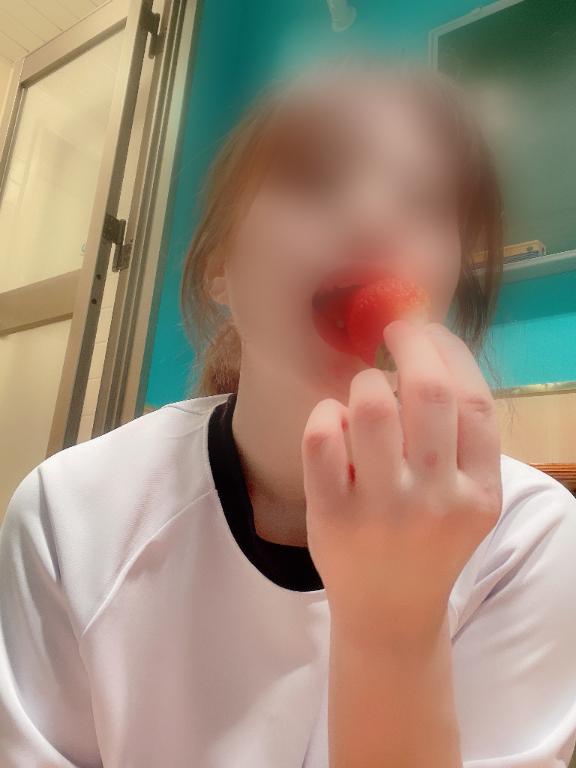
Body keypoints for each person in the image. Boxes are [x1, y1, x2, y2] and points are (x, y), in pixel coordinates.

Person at [1, 56, 576, 768]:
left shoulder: (528, 540)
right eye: (313, 179)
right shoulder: (69, 516)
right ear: (219, 267)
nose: (373, 218)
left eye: (426, 200)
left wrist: (395, 630)